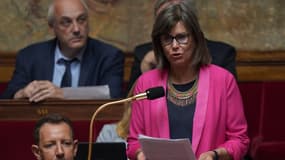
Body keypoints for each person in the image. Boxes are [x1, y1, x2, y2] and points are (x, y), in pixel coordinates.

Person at [126, 1, 249, 160]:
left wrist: (215, 155)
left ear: (196, 38)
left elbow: (240, 140)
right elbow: (133, 142)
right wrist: (141, 154)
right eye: (167, 39)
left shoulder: (223, 80)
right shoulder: (146, 83)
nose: (175, 45)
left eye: (182, 37)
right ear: (159, 44)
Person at [1, 0, 124, 101]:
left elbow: (113, 93)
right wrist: (23, 93)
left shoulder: (109, 56)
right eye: (66, 22)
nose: (76, 29)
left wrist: (62, 93)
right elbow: (9, 95)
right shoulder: (30, 56)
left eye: (81, 19)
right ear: (52, 28)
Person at [127, 0, 237, 92]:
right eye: (166, 17)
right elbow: (128, 108)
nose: (174, 45)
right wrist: (146, 68)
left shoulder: (223, 54)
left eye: (182, 37)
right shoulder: (142, 53)